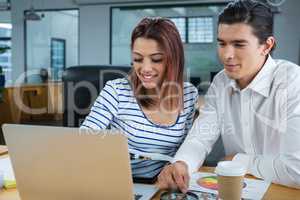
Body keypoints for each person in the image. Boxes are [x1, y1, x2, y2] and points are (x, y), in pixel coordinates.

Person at [157, 0, 300, 192]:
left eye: (238, 44)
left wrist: (240, 161)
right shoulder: (221, 81)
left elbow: (296, 169)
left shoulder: (292, 82)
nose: (227, 55)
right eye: (222, 44)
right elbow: (201, 137)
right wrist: (182, 163)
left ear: (266, 46)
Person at [81, 17, 198, 178]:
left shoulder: (189, 95)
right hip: (120, 184)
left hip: (162, 189)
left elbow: (186, 150)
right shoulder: (116, 91)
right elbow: (84, 140)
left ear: (174, 60)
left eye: (156, 59)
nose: (145, 69)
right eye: (137, 59)